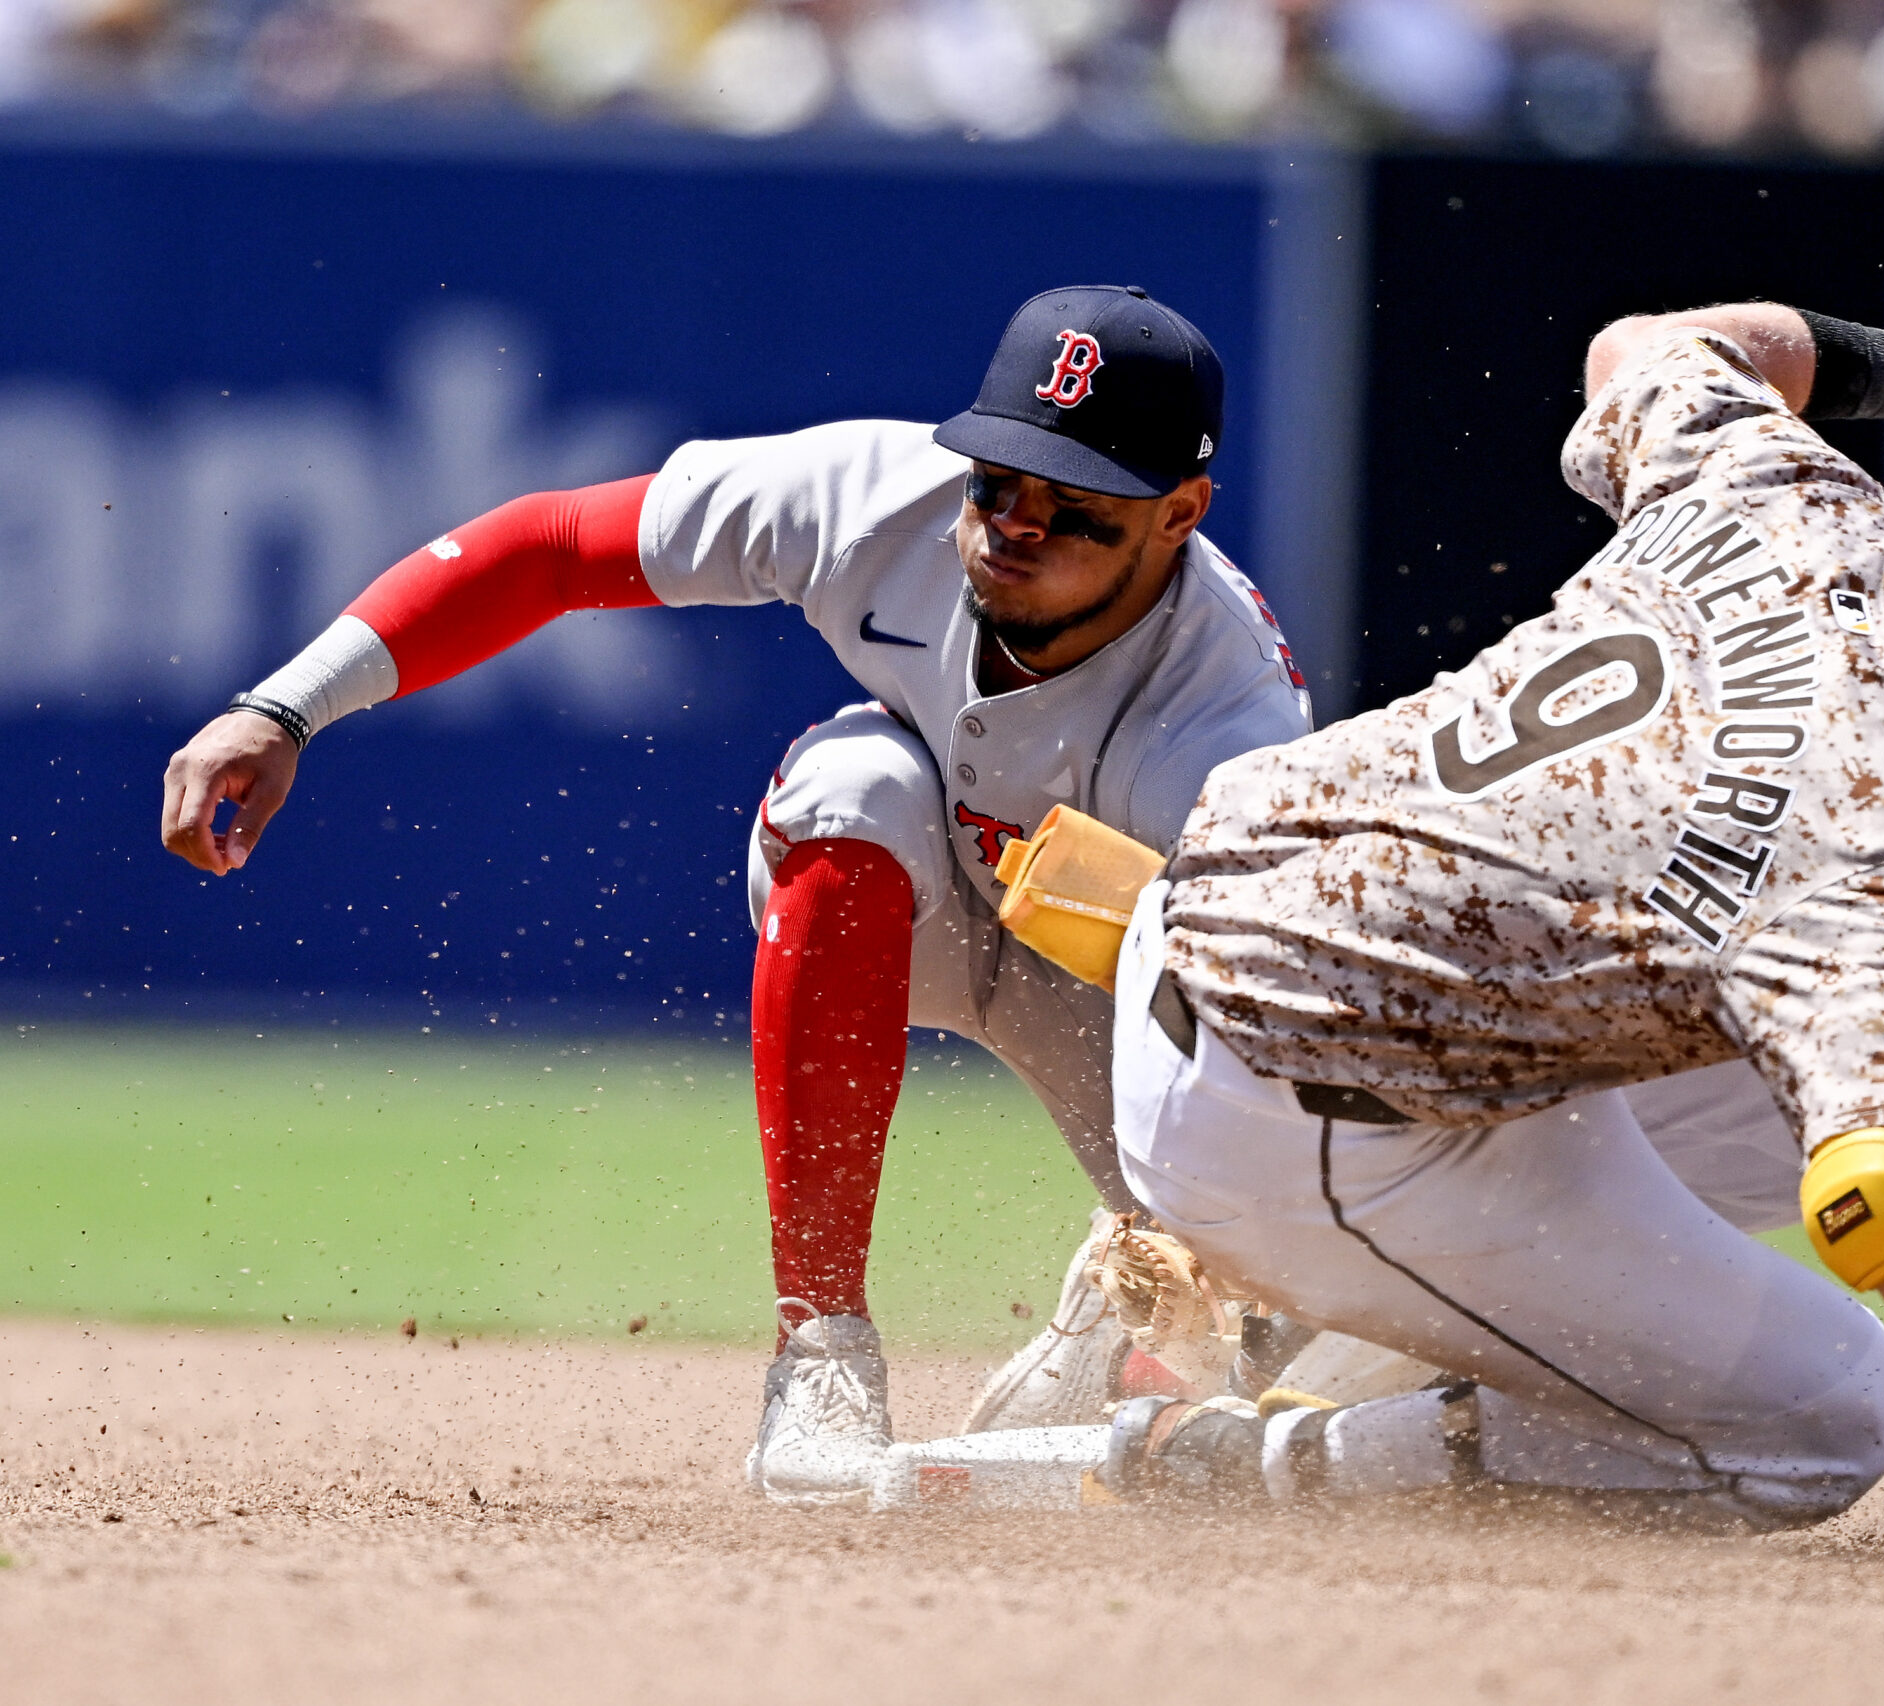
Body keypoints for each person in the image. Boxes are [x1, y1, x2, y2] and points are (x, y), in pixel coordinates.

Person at [1084, 302, 1884, 1579]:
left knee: (1772, 1073)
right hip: (1286, 1126)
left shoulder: (1790, 489)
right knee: (1820, 1416)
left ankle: (1285, 1319)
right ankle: (1237, 1450)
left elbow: (1641, 345)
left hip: (1197, 927)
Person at [157, 285, 1313, 1505]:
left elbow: (1261, 1041)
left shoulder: (1228, 734)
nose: (1014, 524)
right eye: (998, 480)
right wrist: (283, 706)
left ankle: (1119, 1281)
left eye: (1072, 507)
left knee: (1273, 1303)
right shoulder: (880, 494)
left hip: (1111, 975)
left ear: (1178, 515)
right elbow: (547, 547)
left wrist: (1200, 1219)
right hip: (914, 885)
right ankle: (821, 1351)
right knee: (851, 786)